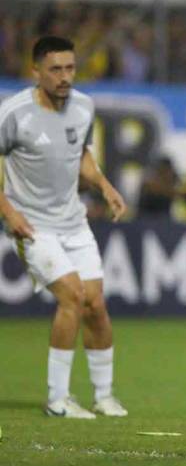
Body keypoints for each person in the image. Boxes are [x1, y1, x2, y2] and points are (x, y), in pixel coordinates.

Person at [0, 36, 128, 418]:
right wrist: (9, 213)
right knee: (72, 295)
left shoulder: (83, 107)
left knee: (96, 305)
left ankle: (103, 395)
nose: (64, 77)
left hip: (73, 221)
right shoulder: (13, 113)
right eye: (55, 69)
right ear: (35, 71)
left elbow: (81, 155)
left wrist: (104, 186)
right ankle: (58, 397)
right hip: (32, 225)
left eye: (70, 68)